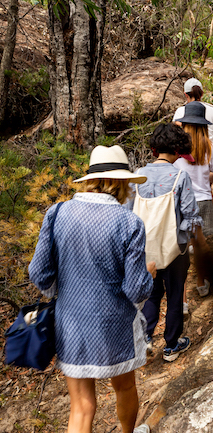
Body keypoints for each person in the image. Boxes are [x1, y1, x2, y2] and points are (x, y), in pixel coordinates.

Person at [29, 145, 155, 433]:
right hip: (116, 326)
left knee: (82, 406)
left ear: (89, 180)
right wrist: (149, 275)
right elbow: (136, 290)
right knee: (124, 388)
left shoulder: (57, 213)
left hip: (71, 324)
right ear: (122, 182)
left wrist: (61, 290)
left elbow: (39, 273)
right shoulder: (129, 223)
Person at [126, 123, 203, 361]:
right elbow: (190, 217)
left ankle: (146, 338)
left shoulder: (136, 178)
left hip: (144, 251)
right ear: (178, 150)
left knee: (151, 294)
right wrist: (193, 240)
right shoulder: (181, 177)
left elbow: (128, 215)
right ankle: (171, 345)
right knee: (175, 293)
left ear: (154, 149)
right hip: (174, 249)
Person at [174, 101, 213, 297]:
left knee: (182, 248)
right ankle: (201, 282)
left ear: (184, 125)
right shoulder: (210, 148)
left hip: (180, 201)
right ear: (204, 126)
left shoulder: (176, 150)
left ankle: (182, 297)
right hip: (202, 200)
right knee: (200, 245)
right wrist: (205, 177)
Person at [173, 77, 213, 145]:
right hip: (210, 152)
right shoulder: (212, 111)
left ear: (186, 94)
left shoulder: (180, 111)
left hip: (187, 152)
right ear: (202, 94)